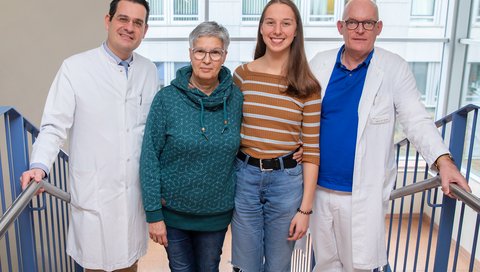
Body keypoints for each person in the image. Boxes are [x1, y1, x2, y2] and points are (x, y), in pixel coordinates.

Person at [308, 0, 472, 271]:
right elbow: (301, 117)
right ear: (341, 27)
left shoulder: (394, 68)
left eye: (368, 23)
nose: (360, 29)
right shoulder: (320, 64)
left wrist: (444, 162)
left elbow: (416, 119)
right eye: (352, 22)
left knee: (359, 265)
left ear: (378, 28)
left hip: (361, 194)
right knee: (325, 264)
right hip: (320, 190)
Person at [19, 0, 157, 271]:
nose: (129, 28)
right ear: (108, 21)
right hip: (95, 195)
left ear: (145, 30)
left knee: (130, 264)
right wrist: (39, 166)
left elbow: (148, 133)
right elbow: (54, 126)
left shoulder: (149, 70)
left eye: (137, 23)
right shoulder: (75, 68)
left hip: (132, 198)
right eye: (123, 19)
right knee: (94, 263)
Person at [139, 21, 243, 272]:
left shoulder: (236, 98)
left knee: (209, 268)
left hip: (215, 215)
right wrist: (153, 214)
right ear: (190, 54)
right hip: (173, 214)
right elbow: (149, 156)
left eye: (215, 52)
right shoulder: (167, 99)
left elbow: (251, 141)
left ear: (224, 56)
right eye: (200, 51)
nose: (207, 60)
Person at [231, 0, 321, 271]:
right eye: (270, 22)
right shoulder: (242, 76)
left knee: (278, 267)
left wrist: (305, 211)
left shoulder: (308, 86)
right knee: (245, 266)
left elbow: (313, 151)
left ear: (296, 31)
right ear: (261, 28)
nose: (277, 30)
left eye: (286, 23)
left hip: (286, 184)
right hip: (244, 178)